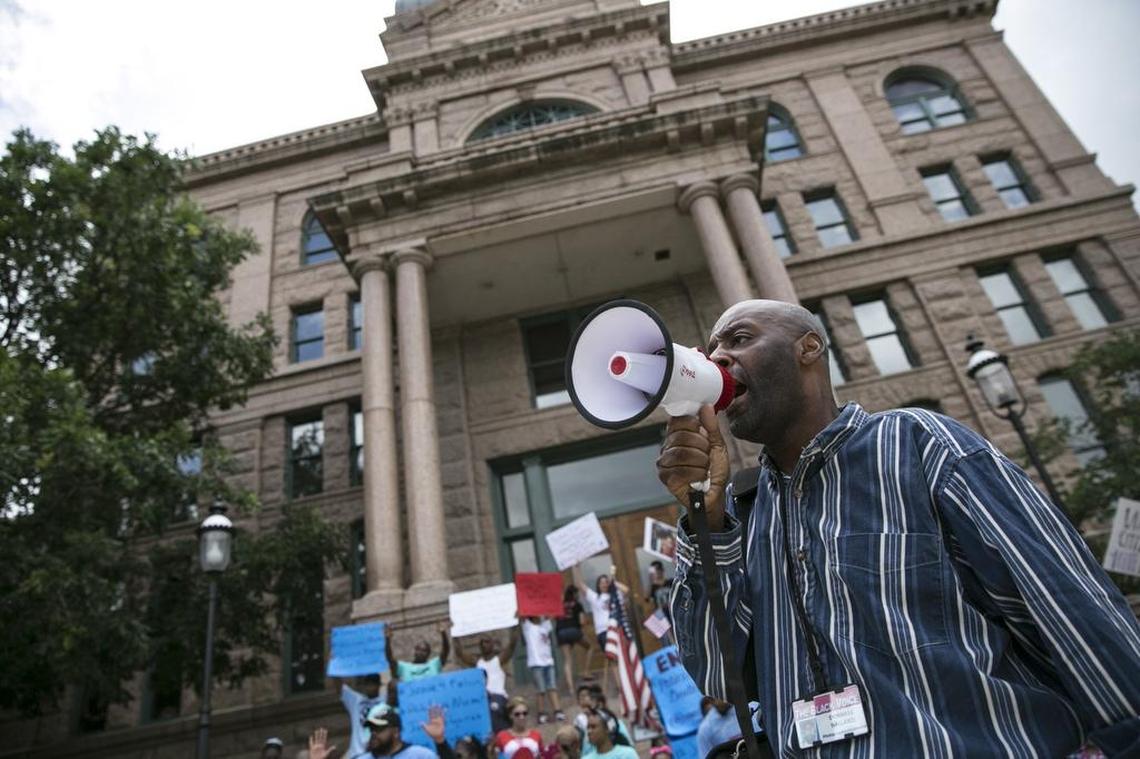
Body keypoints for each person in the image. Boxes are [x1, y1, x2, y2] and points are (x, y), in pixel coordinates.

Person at [657, 298, 1140, 757]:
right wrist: (706, 518)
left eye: (739, 338)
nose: (718, 355)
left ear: (809, 348)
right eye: (713, 347)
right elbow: (723, 679)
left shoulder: (921, 445)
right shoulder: (742, 511)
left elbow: (1066, 606)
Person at [309, 703, 437, 759]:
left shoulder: (422, 756)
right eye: (371, 728)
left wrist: (441, 742)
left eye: (379, 728)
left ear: (396, 732)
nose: (373, 733)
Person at [453, 628, 519, 732]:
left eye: (487, 642)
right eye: (481, 643)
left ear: (492, 644)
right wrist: (455, 632)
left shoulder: (499, 659)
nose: (484, 645)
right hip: (483, 699)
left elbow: (511, 646)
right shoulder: (477, 662)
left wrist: (515, 626)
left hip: (499, 698)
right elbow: (460, 653)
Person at [521, 616, 565, 723]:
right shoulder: (528, 627)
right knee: (540, 689)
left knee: (552, 687)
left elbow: (550, 617)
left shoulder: (545, 625)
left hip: (548, 661)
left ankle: (557, 710)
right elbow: (522, 616)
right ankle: (541, 712)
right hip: (536, 663)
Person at [336, 674, 388, 759]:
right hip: (358, 753)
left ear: (379, 685)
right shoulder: (356, 701)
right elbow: (340, 688)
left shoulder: (385, 701)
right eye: (368, 684)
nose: (370, 688)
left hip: (378, 753)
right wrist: (336, 666)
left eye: (373, 684)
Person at [555, 587, 589, 698]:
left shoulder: (559, 605)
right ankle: (586, 672)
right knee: (589, 647)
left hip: (561, 632)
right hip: (573, 630)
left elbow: (555, 618)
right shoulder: (577, 605)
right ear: (575, 594)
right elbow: (582, 621)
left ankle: (571, 689)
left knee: (567, 660)